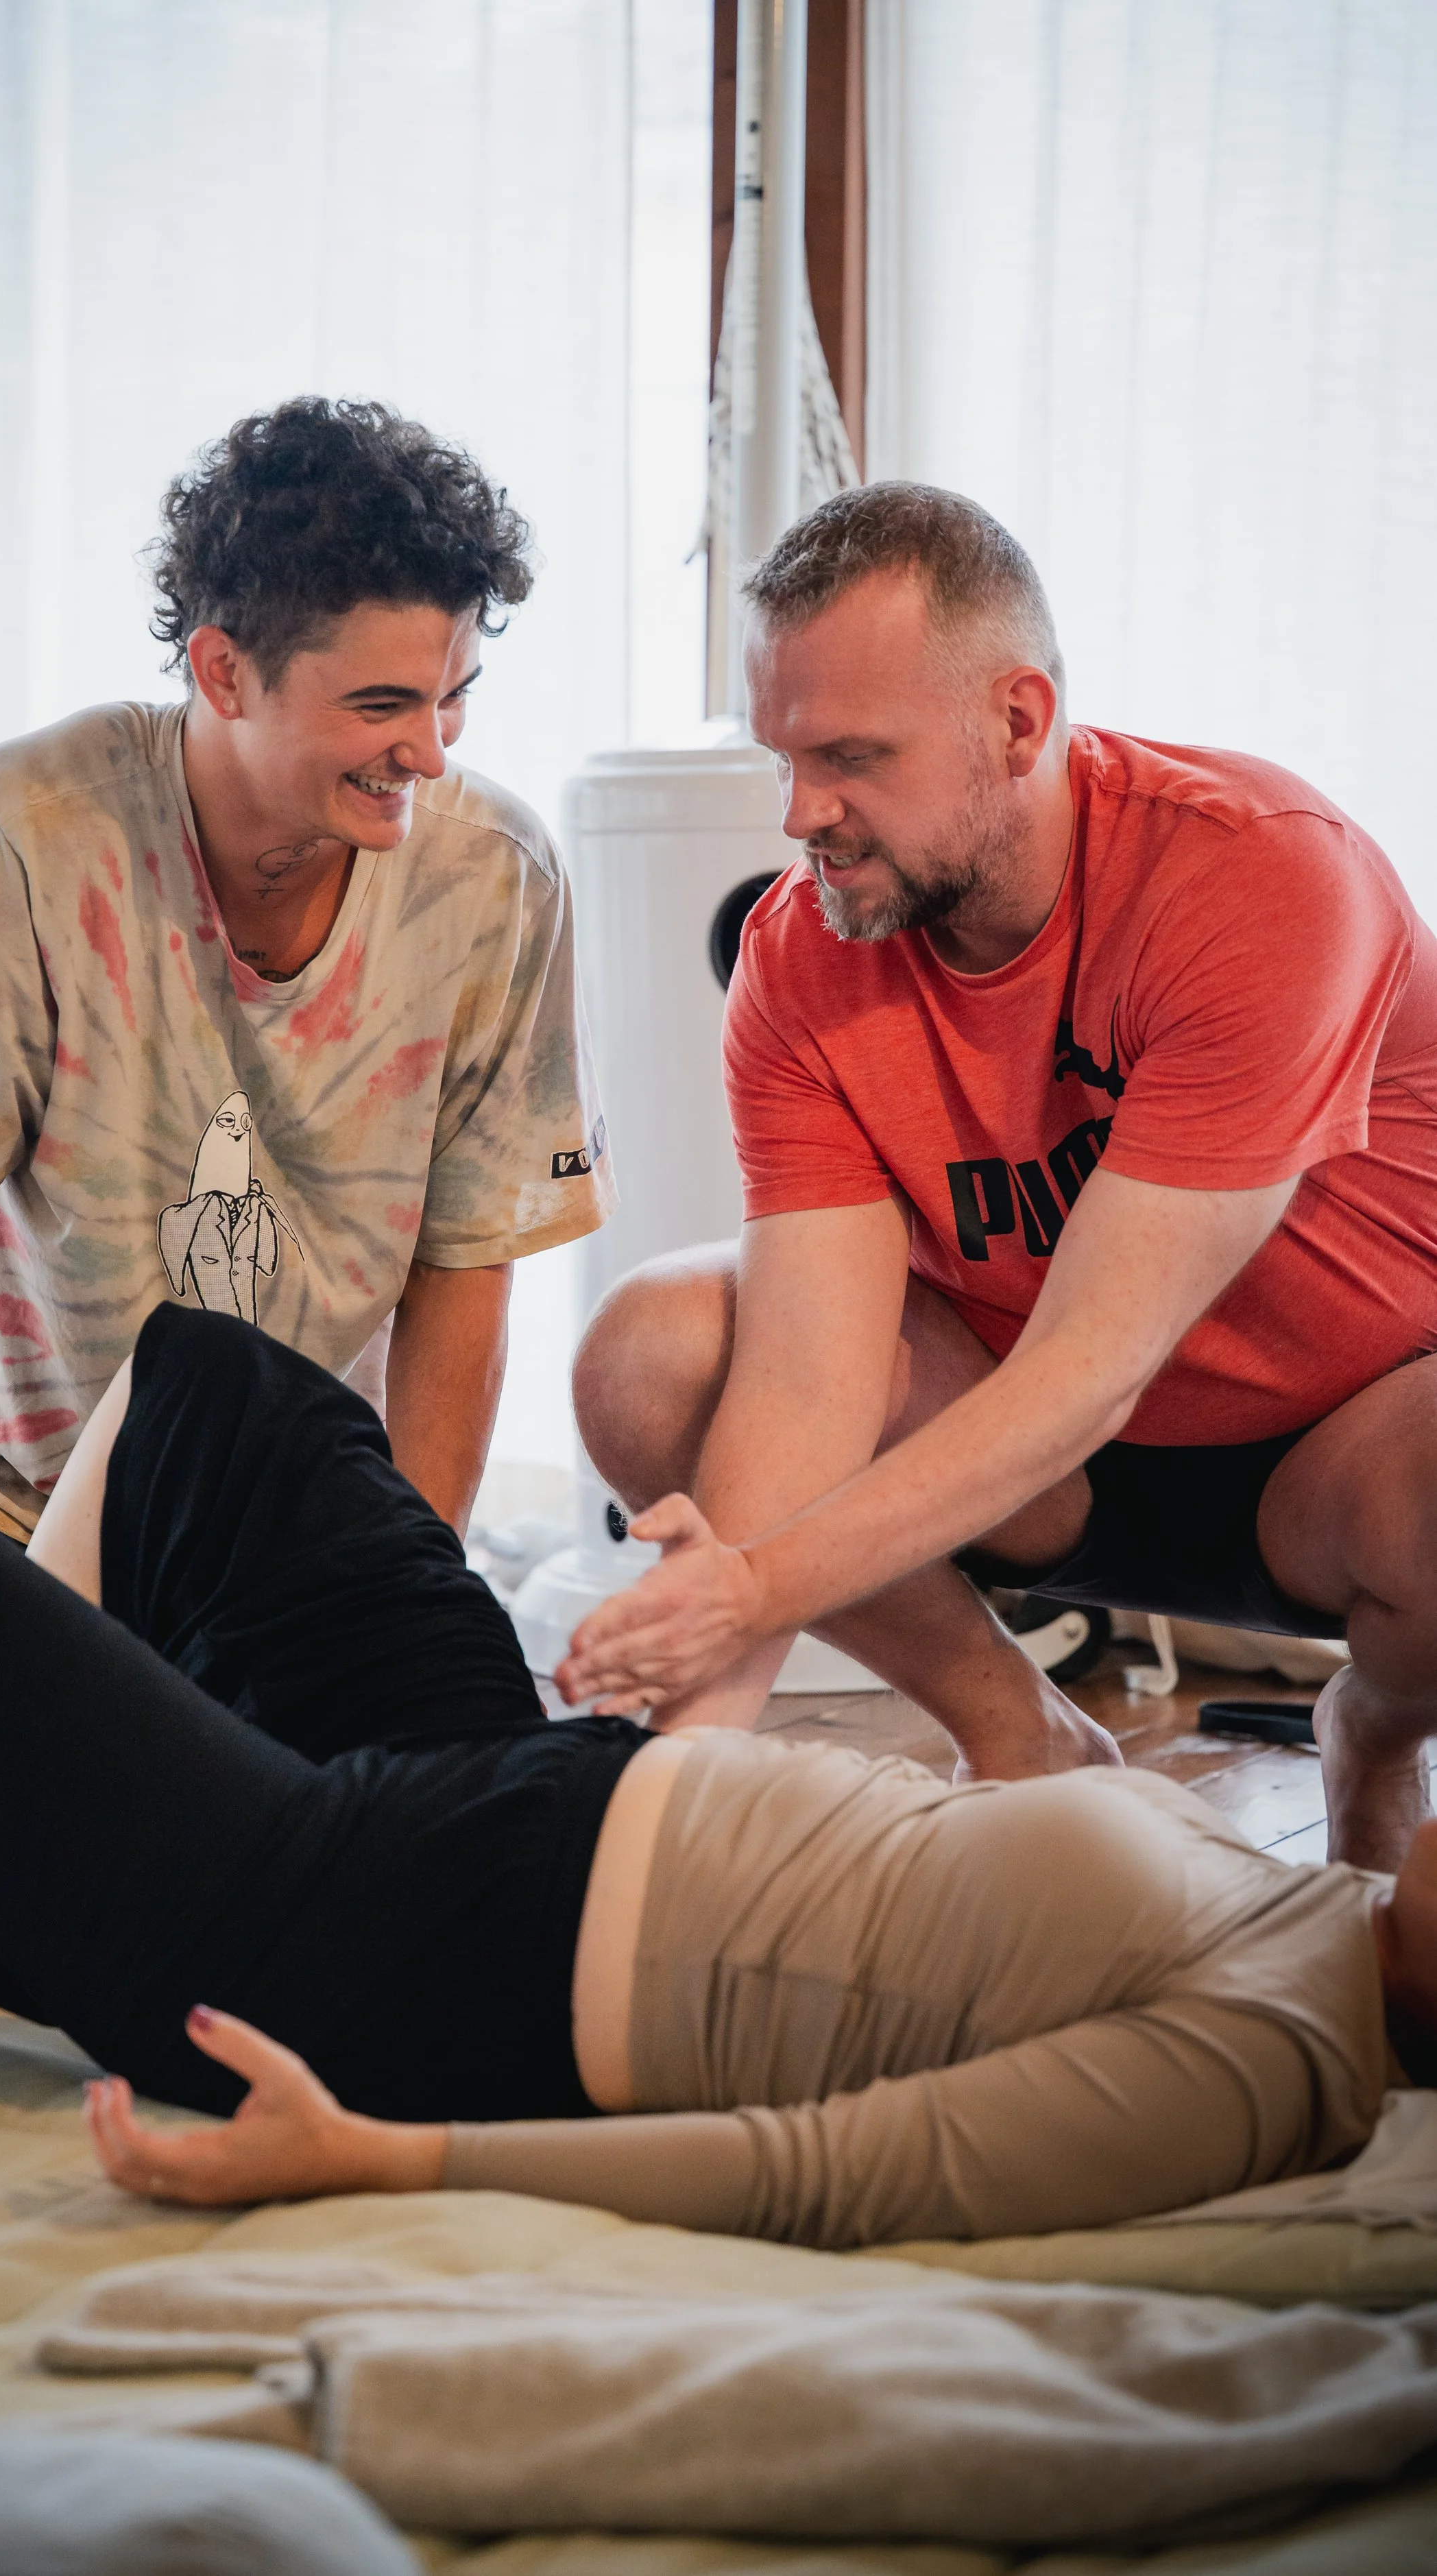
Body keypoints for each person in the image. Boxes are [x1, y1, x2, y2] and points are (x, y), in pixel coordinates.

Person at [0, 1308, 1429, 2250]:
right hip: (534, 1790)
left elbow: (829, 2170)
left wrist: (382, 2163)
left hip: (395, 1943)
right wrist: (694, 1707)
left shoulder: (1272, 2057)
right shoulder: (1314, 1908)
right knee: (220, 1395)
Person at [560, 483, 1437, 1873]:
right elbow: (803, 1383)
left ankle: (1374, 1739)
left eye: (850, 757)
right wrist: (669, 1789)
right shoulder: (803, 955)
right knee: (651, 1353)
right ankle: (1016, 1730)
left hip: (1336, 1439)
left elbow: (1095, 1357)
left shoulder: (1256, 875)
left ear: (1016, 722)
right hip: (1044, 1465)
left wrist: (737, 1593)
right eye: (781, 757)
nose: (802, 815)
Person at [0, 398, 614, 1544]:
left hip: (314, 1522)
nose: (432, 749)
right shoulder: (17, 837)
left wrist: (415, 1582)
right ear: (222, 671)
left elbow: (469, 1265)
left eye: (453, 694)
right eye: (380, 705)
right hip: (29, 1516)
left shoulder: (496, 877)